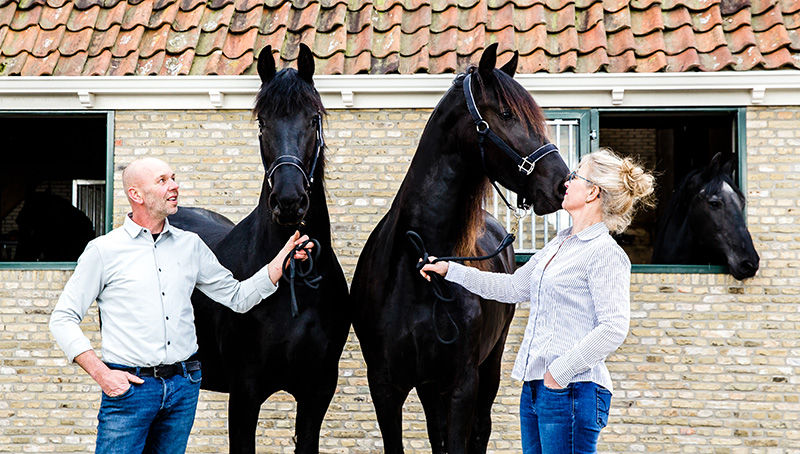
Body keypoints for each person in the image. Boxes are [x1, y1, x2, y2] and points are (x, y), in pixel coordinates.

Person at [49, 157, 312, 454]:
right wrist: (102, 374)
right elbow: (62, 318)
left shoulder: (191, 246)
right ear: (136, 195)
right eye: (162, 181)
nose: (174, 186)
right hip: (130, 391)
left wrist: (279, 263)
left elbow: (238, 297)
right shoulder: (104, 251)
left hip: (183, 388)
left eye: (173, 178)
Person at [421, 148, 655, 454]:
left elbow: (613, 327)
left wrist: (559, 372)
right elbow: (512, 287)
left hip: (572, 389)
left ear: (592, 192)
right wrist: (451, 270)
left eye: (574, 176)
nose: (566, 182)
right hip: (537, 387)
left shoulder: (605, 253)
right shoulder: (559, 245)